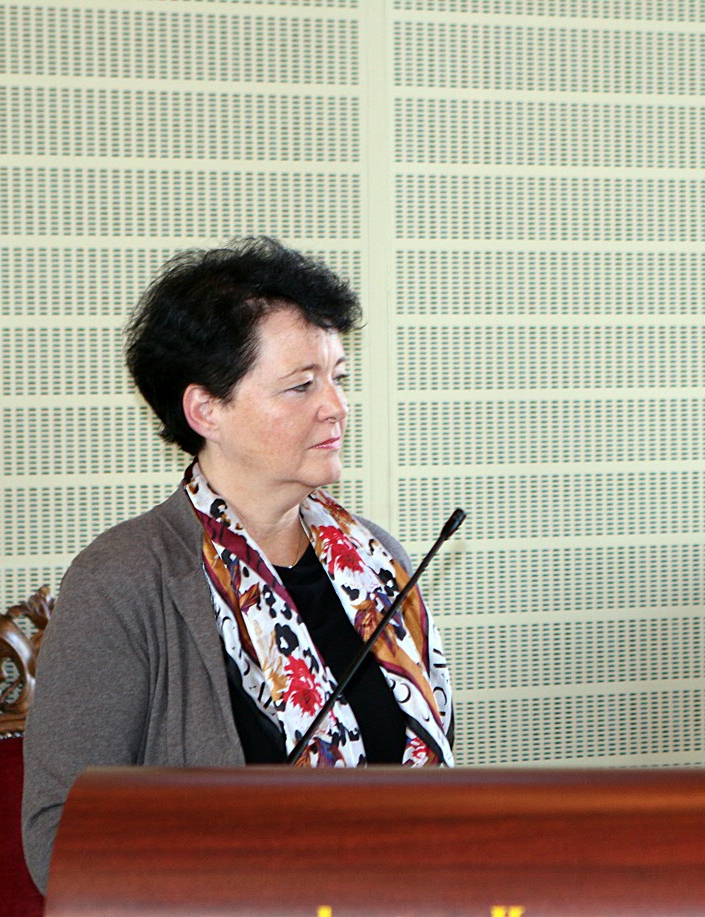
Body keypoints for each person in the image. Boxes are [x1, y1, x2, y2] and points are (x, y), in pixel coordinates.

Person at [22, 238, 455, 892]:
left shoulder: (378, 562)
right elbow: (62, 836)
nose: (335, 405)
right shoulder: (124, 581)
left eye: (338, 376)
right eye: (301, 384)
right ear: (206, 410)